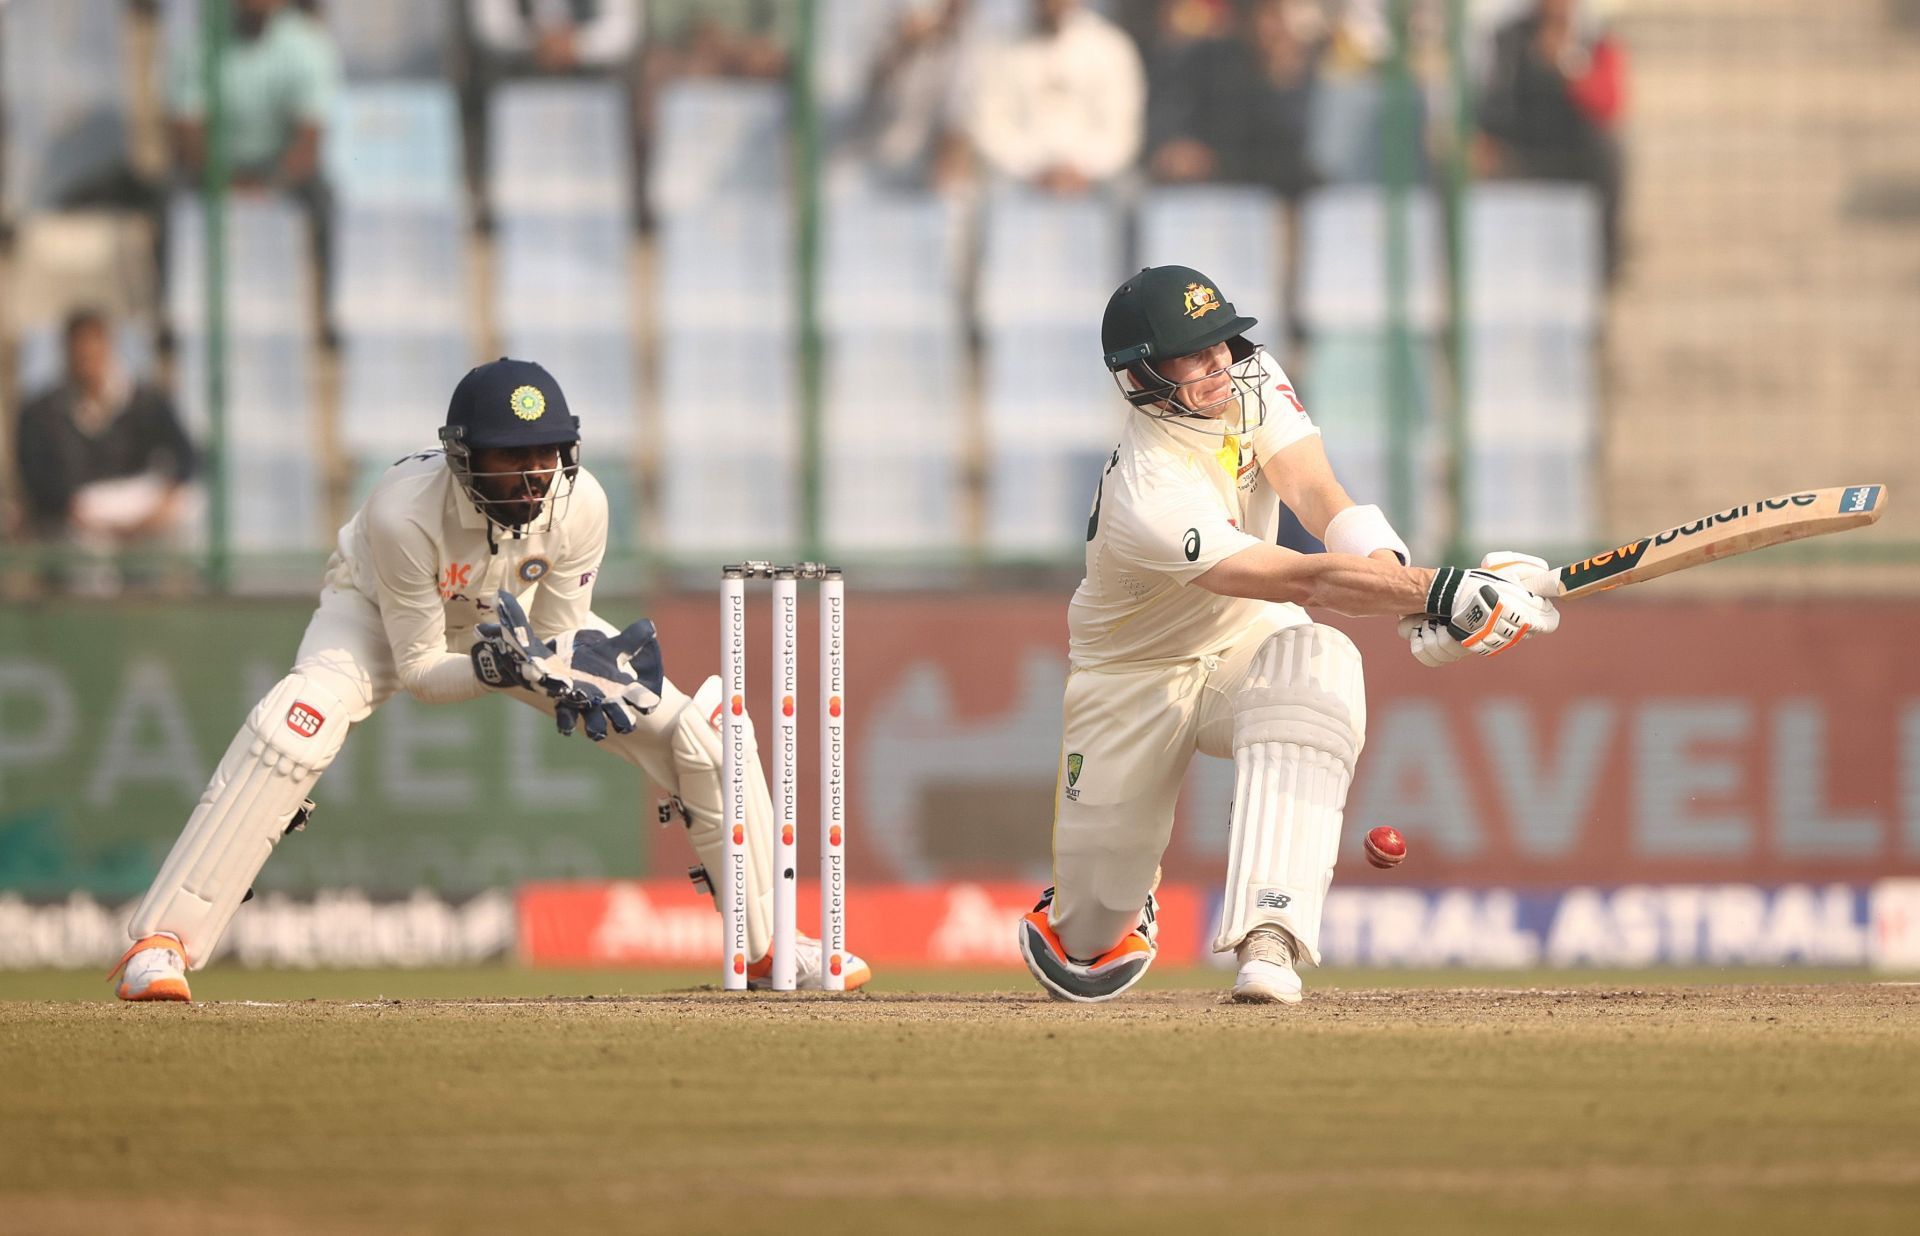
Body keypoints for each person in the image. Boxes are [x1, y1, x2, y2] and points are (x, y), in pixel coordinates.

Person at [110, 357, 872, 1000]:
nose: (534, 473)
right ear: (463, 456)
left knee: (698, 737)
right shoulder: (402, 514)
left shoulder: (583, 504)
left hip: (517, 625)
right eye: (512, 456)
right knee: (292, 726)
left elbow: (559, 631)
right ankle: (163, 941)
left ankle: (770, 949)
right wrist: (490, 663)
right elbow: (417, 672)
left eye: (546, 453)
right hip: (376, 618)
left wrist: (571, 668)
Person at [1016, 265, 1561, 1004]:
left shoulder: (1250, 378)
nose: (1219, 365)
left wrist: (1414, 595)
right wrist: (1441, 591)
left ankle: (1270, 933)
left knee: (1319, 663)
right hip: (1131, 676)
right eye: (1194, 355)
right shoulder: (1149, 492)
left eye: (1223, 344)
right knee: (1087, 947)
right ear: (1141, 374)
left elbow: (1315, 492)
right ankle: (1104, 905)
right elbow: (1305, 579)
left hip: (1247, 640)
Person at [168, 0, 342, 341]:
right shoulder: (201, 44)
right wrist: (225, 180)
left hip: (279, 169)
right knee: (165, 198)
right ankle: (169, 308)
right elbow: (187, 132)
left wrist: (269, 183)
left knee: (324, 199)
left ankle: (325, 311)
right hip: (214, 168)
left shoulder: (306, 45)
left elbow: (309, 140)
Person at [12, 308, 197, 593]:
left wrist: (160, 508)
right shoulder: (40, 413)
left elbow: (187, 457)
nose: (87, 358)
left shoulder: (146, 402)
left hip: (139, 511)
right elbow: (36, 479)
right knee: (87, 561)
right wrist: (80, 514)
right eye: (79, 349)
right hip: (76, 522)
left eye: (94, 346)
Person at [1475, 0, 1627, 278]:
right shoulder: (1510, 38)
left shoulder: (1593, 39)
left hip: (1574, 159)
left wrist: (1568, 67)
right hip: (1522, 155)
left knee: (1611, 152)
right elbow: (1494, 105)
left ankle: (1606, 265)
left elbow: (1609, 103)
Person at [960, 0, 1146, 195]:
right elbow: (990, 126)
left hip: (1096, 184)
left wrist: (1084, 168)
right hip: (1018, 182)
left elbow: (1121, 129)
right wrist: (1034, 169)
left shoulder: (1110, 48)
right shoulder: (999, 49)